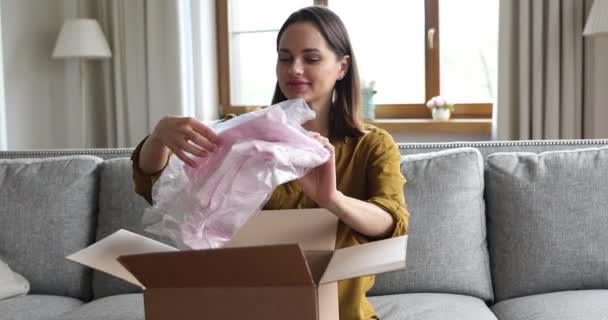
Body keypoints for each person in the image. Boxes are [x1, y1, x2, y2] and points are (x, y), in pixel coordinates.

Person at [131, 6, 409, 320]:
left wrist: (332, 199)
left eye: (311, 58)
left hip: (342, 313)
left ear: (342, 67)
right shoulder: (241, 136)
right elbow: (156, 189)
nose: (295, 69)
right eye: (285, 57)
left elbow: (392, 222)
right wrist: (158, 138)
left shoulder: (371, 144)